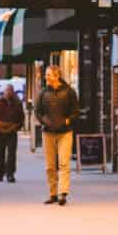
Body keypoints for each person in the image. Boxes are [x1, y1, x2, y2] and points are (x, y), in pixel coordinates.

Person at [35, 65, 79, 205]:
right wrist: (44, 121)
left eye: (48, 75)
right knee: (50, 166)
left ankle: (62, 194)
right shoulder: (43, 93)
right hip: (48, 132)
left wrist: (67, 120)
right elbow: (37, 111)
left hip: (65, 132)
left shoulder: (69, 92)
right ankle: (53, 193)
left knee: (64, 163)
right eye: (46, 75)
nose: (46, 77)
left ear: (57, 75)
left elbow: (75, 112)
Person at [0, 84, 23, 183]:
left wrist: (16, 127)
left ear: (13, 92)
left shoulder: (17, 103)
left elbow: (21, 118)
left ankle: (10, 174)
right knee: (0, 153)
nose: (9, 92)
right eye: (7, 91)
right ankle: (0, 173)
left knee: (11, 154)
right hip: (0, 132)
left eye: (10, 91)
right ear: (3, 92)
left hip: (12, 132)